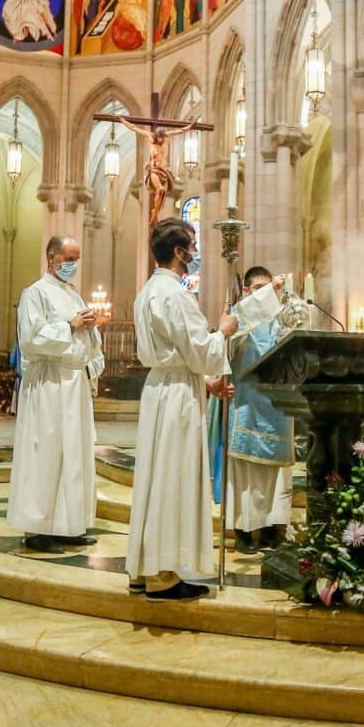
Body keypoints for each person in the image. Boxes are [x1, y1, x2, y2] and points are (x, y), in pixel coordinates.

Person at [128, 218, 233, 600]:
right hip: (176, 398)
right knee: (172, 476)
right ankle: (162, 574)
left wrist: (204, 382)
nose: (195, 252)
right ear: (178, 251)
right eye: (192, 244)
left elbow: (176, 353)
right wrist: (223, 331)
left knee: (155, 478)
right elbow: (200, 351)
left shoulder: (149, 291)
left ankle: (143, 568)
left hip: (161, 387)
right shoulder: (175, 294)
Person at [8, 236, 106, 553]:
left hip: (74, 383)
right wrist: (71, 325)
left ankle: (67, 524)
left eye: (77, 259)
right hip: (48, 383)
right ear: (52, 257)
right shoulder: (34, 293)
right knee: (46, 453)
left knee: (74, 453)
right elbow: (31, 339)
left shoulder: (73, 294)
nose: (73, 266)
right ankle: (38, 528)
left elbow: (88, 339)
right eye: (69, 258)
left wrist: (90, 328)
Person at [224, 266, 294, 552]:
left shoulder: (281, 318)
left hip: (278, 402)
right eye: (261, 289)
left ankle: (271, 526)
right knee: (247, 472)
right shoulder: (239, 314)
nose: (269, 294)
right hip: (248, 401)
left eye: (270, 288)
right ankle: (244, 528)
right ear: (246, 291)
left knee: (276, 476)